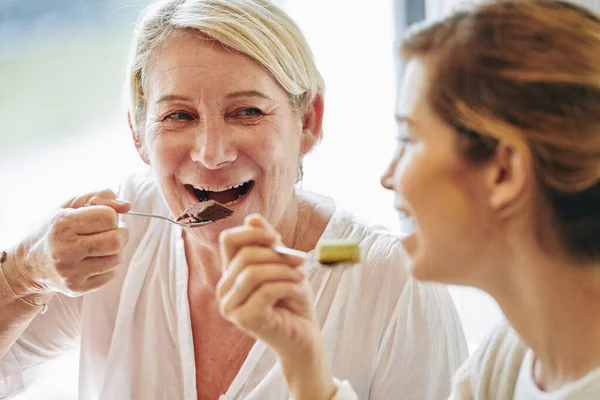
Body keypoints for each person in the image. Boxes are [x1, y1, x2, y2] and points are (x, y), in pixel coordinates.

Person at [0, 1, 467, 399]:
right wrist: (26, 274)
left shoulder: (395, 287)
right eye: (178, 115)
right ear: (137, 133)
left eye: (247, 111)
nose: (212, 152)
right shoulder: (114, 242)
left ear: (308, 122)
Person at [217, 0, 600, 399]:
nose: (387, 177)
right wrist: (305, 367)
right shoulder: (510, 359)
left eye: (409, 139)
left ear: (504, 173)